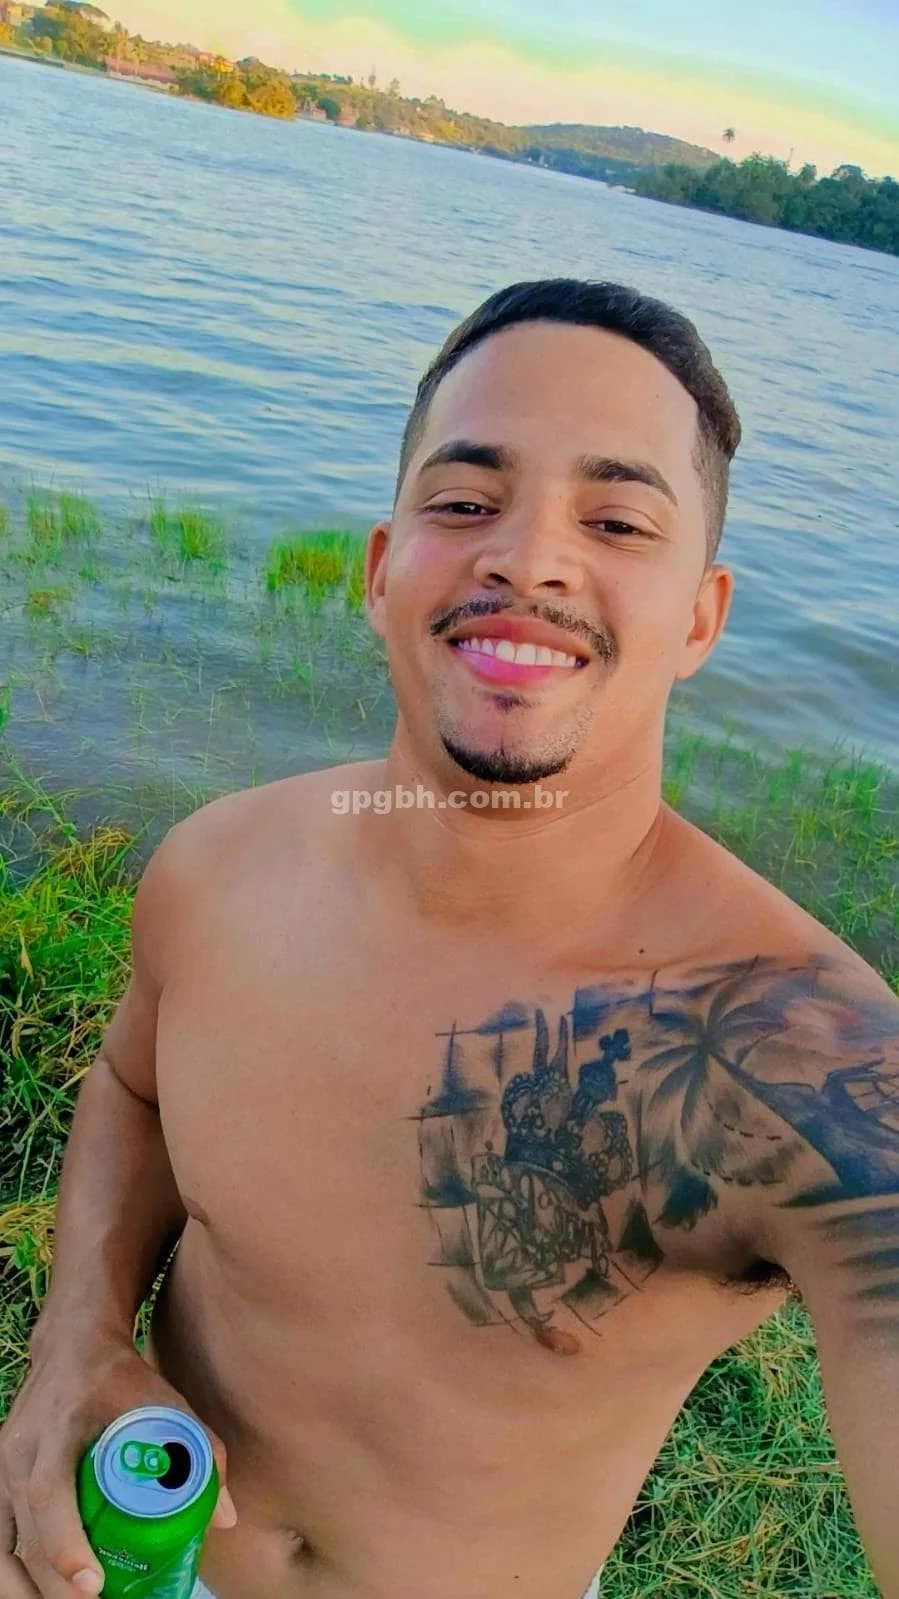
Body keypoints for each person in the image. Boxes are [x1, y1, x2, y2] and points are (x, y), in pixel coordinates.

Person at [1, 278, 896, 1599]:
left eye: (615, 520)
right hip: (130, 1557)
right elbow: (131, 1088)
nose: (527, 559)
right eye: (467, 502)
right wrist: (76, 1337)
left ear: (700, 618)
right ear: (381, 570)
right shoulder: (218, 869)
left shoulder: (792, 1056)